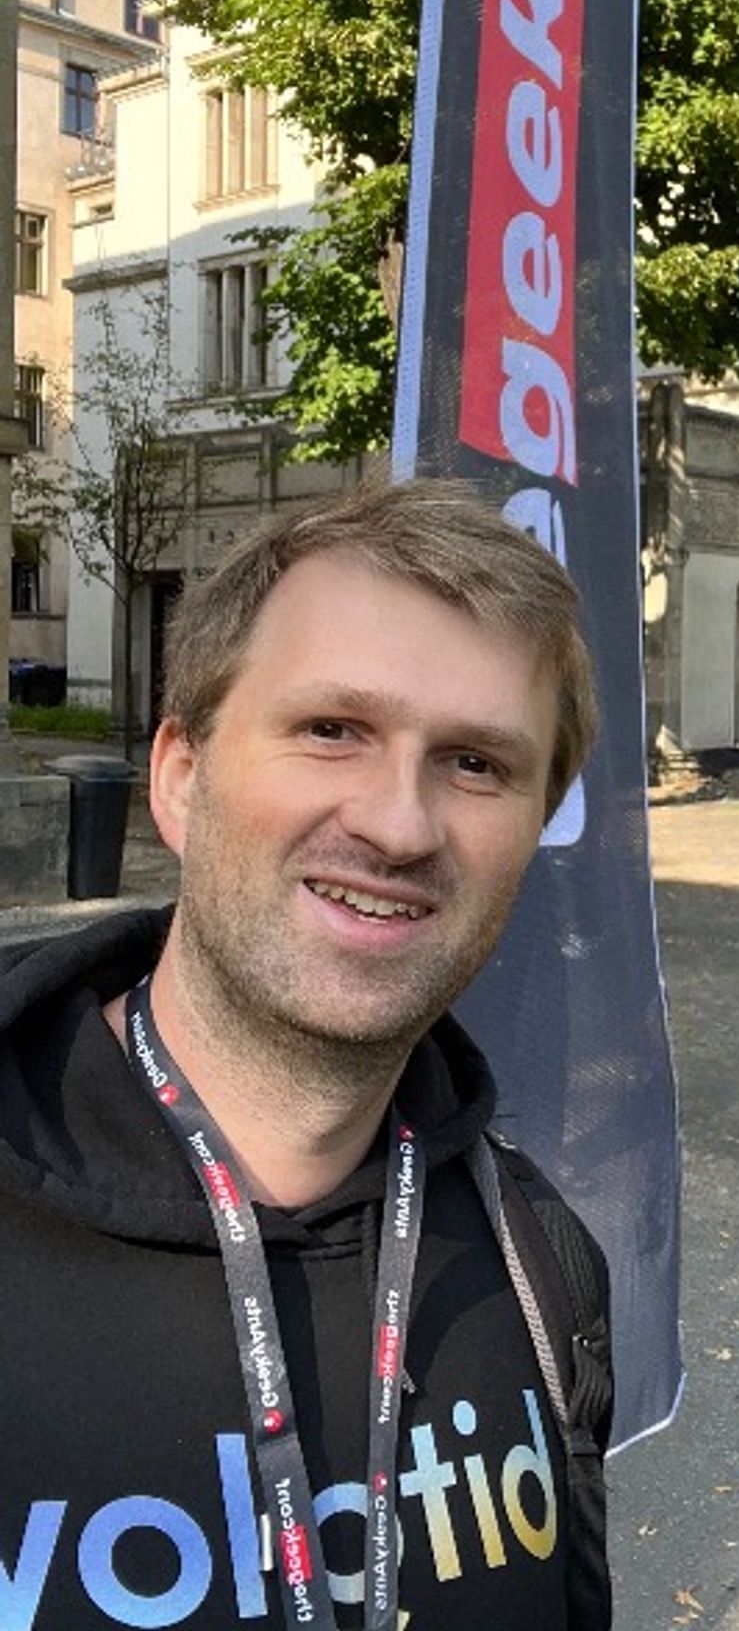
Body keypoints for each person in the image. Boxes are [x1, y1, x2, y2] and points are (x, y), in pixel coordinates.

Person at [0, 479, 612, 1631]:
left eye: (477, 762)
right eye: (333, 729)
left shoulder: (544, 1268)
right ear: (180, 774)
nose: (398, 823)